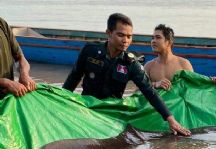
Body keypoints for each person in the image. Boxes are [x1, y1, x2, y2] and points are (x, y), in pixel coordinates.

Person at [63, 13, 191, 136]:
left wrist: (170, 119)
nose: (126, 40)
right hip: (87, 109)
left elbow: (149, 92)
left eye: (129, 36)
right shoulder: (90, 51)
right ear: (109, 33)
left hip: (111, 115)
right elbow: (73, 78)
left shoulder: (131, 64)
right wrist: (61, 100)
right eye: (121, 35)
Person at [144, 24, 193, 90]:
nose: (153, 41)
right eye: (152, 38)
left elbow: (193, 87)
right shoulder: (149, 66)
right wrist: (155, 84)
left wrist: (210, 81)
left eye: (158, 37)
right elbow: (139, 90)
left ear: (168, 42)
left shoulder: (183, 64)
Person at [0, 17, 36, 98]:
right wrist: (6, 82)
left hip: (7, 97)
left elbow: (20, 57)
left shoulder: (2, 24)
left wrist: (24, 74)